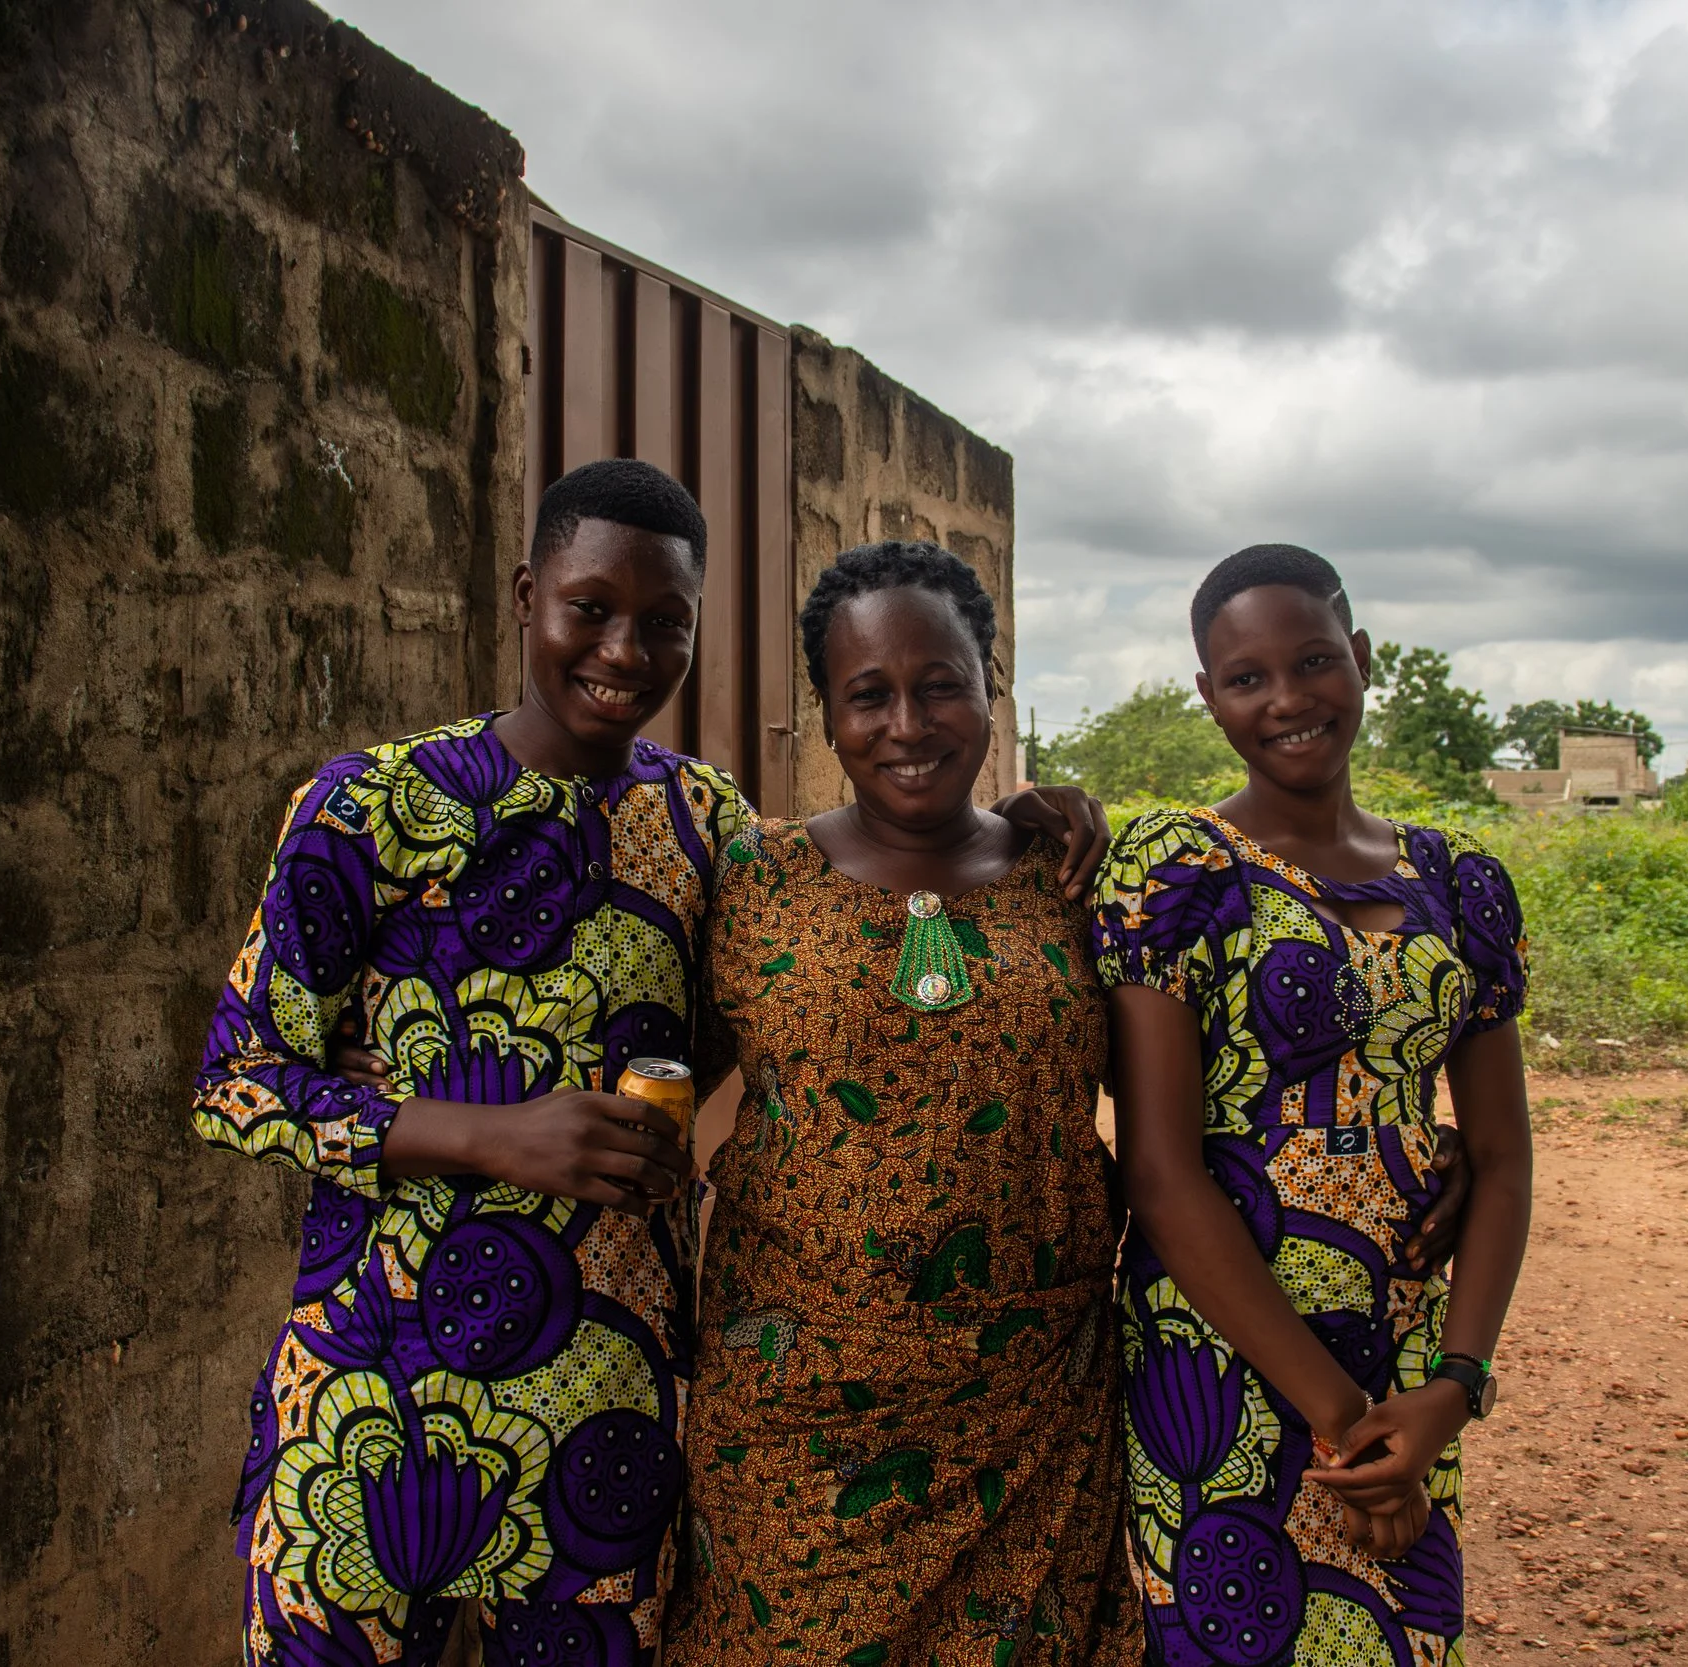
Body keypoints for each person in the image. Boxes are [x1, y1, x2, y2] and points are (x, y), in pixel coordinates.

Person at [207, 459, 1112, 1667]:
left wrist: (1029, 817)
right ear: (530, 593)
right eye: (590, 607)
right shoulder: (369, 805)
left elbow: (831, 955)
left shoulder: (708, 828)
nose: (624, 649)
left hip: (609, 1411)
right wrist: (481, 1131)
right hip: (375, 1391)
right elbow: (238, 1080)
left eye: (664, 623)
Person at [663, 543, 1141, 1667]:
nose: (908, 723)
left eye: (940, 684)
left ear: (991, 687)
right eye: (867, 694)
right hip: (794, 1413)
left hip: (1032, 1406)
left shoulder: (1071, 879)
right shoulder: (753, 879)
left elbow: (1195, 1090)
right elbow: (651, 1075)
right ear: (827, 715)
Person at [1092, 544, 1534, 1666]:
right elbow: (1159, 1168)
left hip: (1402, 1367)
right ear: (1208, 697)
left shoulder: (1459, 880)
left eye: (1313, 661)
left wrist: (1451, 1386)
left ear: (1365, 659)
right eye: (1246, 678)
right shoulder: (1175, 869)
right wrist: (1336, 1415)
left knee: (1398, 1634)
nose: (1287, 699)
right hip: (1223, 1363)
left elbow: (1499, 1153)